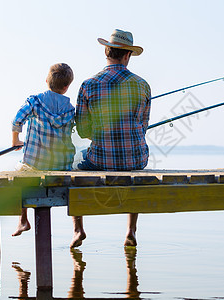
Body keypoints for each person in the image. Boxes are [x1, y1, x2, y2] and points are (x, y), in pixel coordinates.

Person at [72, 29, 151, 248]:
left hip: (100, 159)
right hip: (136, 160)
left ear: (107, 52)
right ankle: (131, 230)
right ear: (127, 55)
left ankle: (78, 229)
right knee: (133, 172)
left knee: (74, 163)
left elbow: (83, 131)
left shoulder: (88, 85)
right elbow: (143, 126)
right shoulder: (142, 85)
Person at [11, 63, 75, 236]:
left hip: (35, 164)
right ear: (66, 87)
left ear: (46, 80)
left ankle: (23, 220)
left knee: (18, 175)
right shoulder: (70, 109)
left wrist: (16, 140)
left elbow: (17, 120)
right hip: (62, 165)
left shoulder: (35, 101)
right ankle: (78, 229)